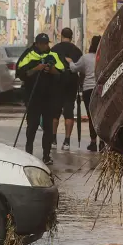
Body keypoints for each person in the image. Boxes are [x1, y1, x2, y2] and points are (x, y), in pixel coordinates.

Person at [16, 33, 64, 164]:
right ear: (36, 44)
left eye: (46, 43)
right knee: (32, 125)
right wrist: (36, 68)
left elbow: (61, 72)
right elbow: (20, 72)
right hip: (33, 96)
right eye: (42, 43)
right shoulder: (29, 54)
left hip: (49, 97)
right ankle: (28, 152)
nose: (45, 46)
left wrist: (51, 69)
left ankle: (46, 155)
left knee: (48, 127)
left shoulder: (53, 55)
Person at [51, 27, 83, 151]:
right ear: (72, 36)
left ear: (61, 35)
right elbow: (80, 69)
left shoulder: (54, 49)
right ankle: (67, 141)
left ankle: (53, 139)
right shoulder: (77, 51)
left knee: (55, 113)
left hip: (56, 84)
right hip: (71, 84)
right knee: (69, 112)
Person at [70, 35, 100, 151]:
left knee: (91, 116)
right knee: (101, 115)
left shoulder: (86, 58)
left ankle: (93, 142)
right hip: (101, 89)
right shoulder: (103, 57)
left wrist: (70, 61)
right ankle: (102, 142)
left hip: (88, 89)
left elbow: (74, 68)